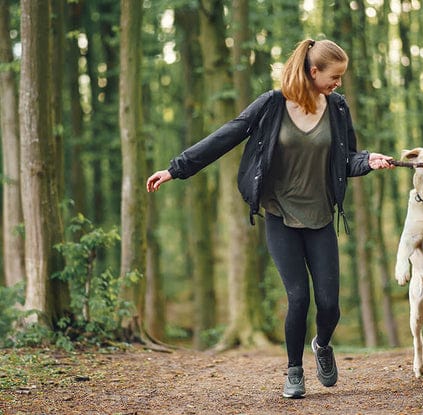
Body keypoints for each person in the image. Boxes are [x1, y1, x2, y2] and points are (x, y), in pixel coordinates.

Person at [146, 38, 395, 399]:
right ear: (314, 71)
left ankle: (322, 345)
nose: (339, 83)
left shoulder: (337, 108)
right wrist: (176, 169)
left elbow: (347, 159)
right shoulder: (273, 105)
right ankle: (294, 372)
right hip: (280, 214)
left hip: (320, 216)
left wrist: (368, 161)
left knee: (329, 304)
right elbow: (226, 135)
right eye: (335, 76)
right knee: (299, 297)